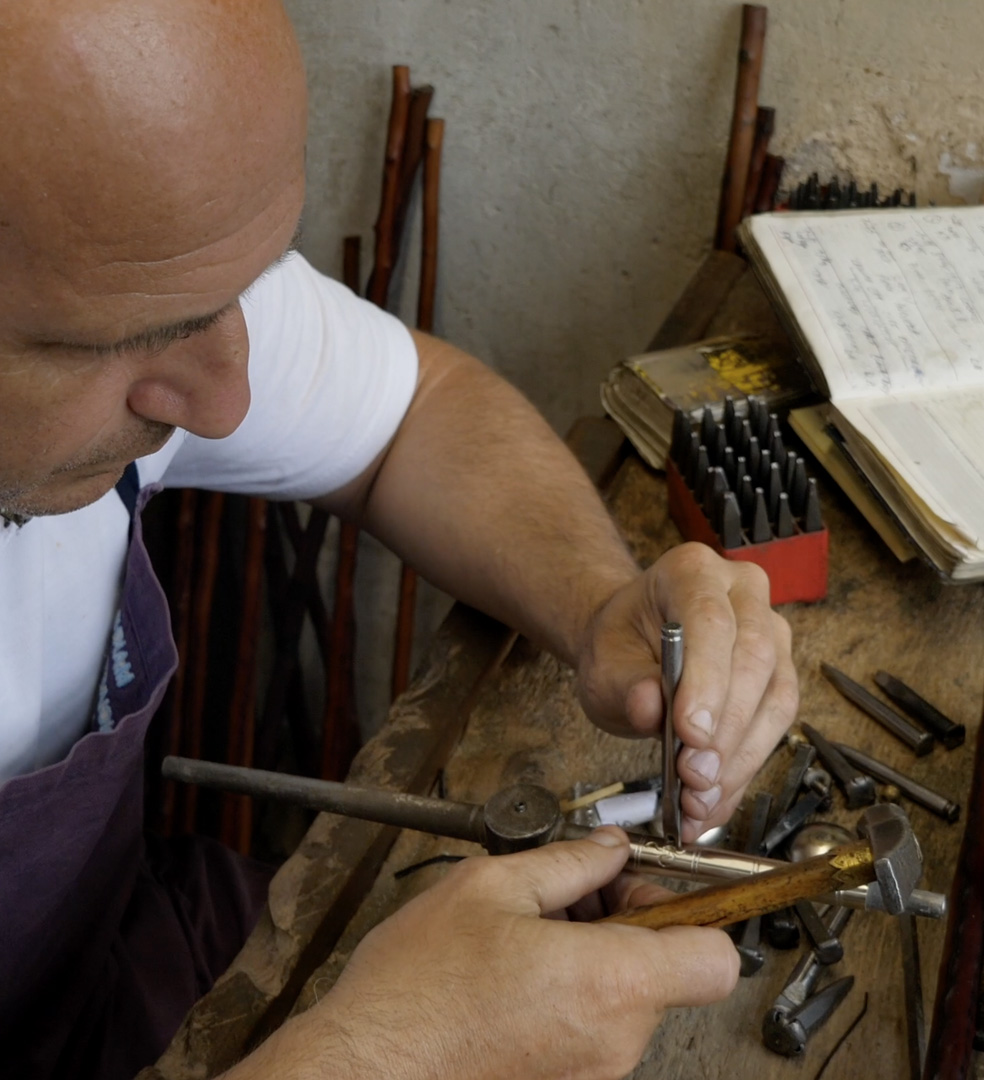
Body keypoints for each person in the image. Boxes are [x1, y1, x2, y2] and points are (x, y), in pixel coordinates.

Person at [0, 1, 798, 1077]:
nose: (228, 400)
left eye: (242, 290)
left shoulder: (120, 271)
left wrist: (598, 603)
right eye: (110, 342)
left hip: (101, 981)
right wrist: (382, 1054)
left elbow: (414, 413)